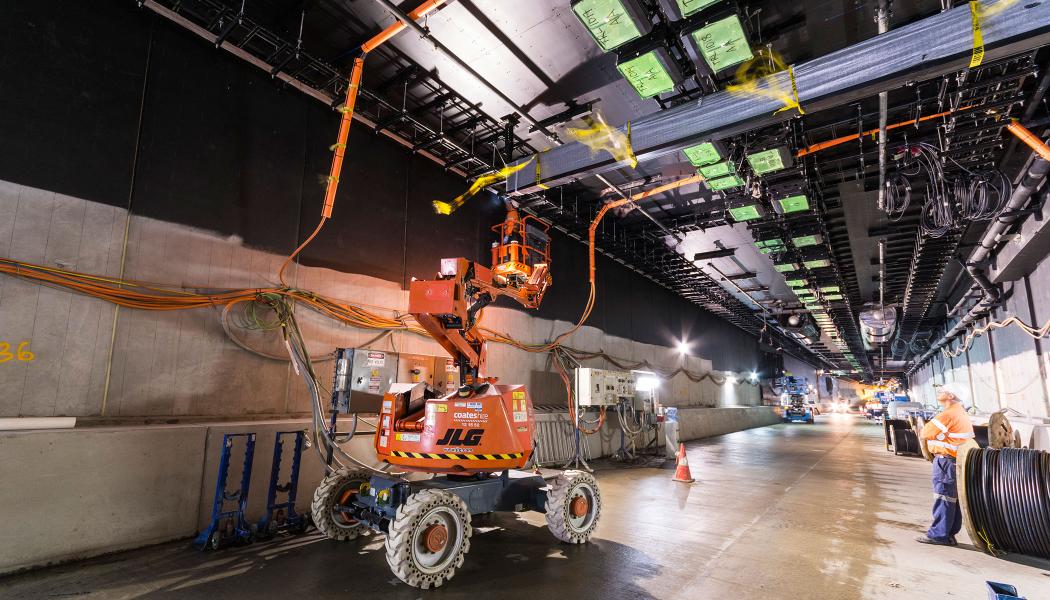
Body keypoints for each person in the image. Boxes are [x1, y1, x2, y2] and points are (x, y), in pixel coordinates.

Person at [915, 382, 974, 546]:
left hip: (946, 461)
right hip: (955, 461)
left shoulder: (948, 414)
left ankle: (938, 535)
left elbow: (925, 432)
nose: (939, 392)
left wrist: (937, 435)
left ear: (951, 396)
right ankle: (949, 534)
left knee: (943, 497)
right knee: (952, 499)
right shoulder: (960, 412)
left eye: (942, 391)